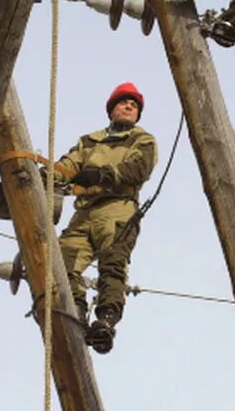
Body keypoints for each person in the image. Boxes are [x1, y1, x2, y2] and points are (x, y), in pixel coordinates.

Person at [53, 83, 158, 354]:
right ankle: (74, 305)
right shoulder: (89, 141)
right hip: (84, 213)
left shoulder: (142, 140)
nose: (128, 107)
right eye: (123, 102)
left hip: (118, 208)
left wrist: (101, 175)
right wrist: (47, 176)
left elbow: (137, 169)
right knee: (60, 260)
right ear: (112, 109)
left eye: (134, 105)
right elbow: (67, 166)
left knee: (113, 264)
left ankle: (106, 319)